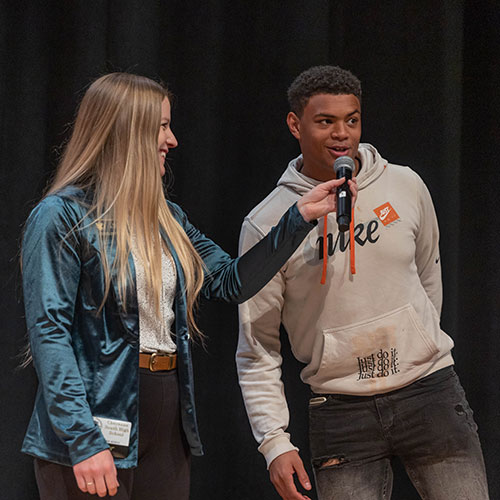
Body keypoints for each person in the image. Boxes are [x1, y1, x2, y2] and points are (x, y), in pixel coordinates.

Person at [20, 72, 357, 500]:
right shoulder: (61, 217)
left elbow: (231, 282)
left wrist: (299, 218)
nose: (172, 139)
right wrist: (82, 440)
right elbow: (50, 334)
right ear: (127, 132)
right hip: (94, 416)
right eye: (161, 126)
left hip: (166, 412)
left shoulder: (167, 217)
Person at [236, 65, 489, 500]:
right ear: (295, 125)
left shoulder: (404, 185)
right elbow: (257, 344)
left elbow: (429, 276)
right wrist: (274, 440)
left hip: (428, 391)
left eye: (351, 120)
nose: (342, 134)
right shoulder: (267, 223)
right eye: (326, 121)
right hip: (340, 411)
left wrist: (419, 344)